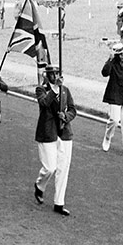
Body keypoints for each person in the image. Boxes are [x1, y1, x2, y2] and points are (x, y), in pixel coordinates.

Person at [34, 65, 77, 216]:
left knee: (63, 168)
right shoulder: (41, 89)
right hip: (48, 132)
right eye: (53, 74)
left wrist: (65, 117)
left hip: (64, 132)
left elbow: (72, 109)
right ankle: (39, 185)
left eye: (58, 73)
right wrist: (55, 90)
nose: (56, 76)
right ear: (47, 75)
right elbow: (44, 103)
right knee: (50, 168)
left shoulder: (66, 90)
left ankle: (59, 203)